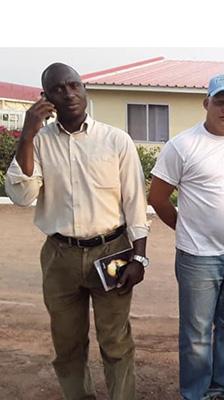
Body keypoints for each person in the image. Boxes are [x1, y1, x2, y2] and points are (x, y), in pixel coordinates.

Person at [4, 63, 149, 400]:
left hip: (111, 251)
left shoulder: (115, 140)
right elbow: (22, 195)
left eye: (74, 85)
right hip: (60, 256)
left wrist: (139, 256)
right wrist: (27, 132)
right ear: (46, 98)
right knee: (68, 345)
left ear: (84, 89)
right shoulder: (38, 142)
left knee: (115, 343)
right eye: (58, 89)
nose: (68, 94)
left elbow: (135, 202)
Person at [147, 73, 224, 400]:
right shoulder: (182, 146)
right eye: (220, 101)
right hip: (197, 259)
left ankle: (220, 391)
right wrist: (188, 228)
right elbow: (158, 198)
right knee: (197, 335)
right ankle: (195, 393)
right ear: (207, 104)